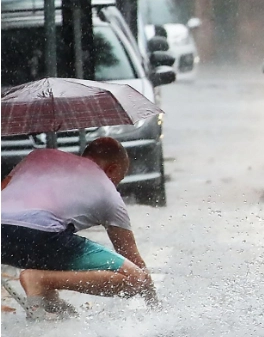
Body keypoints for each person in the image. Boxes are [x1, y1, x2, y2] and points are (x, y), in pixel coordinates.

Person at [1, 137, 157, 320]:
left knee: (45, 248)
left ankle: (48, 300)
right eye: (119, 179)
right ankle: (40, 280)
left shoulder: (38, 155)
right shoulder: (107, 192)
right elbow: (134, 260)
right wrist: (154, 304)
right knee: (135, 278)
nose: (117, 185)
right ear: (112, 169)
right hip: (43, 237)